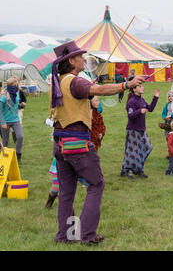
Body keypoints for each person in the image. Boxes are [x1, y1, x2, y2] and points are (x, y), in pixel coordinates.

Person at [50, 40, 146, 244]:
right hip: (77, 143)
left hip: (59, 143)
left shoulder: (59, 81)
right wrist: (126, 84)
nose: (84, 58)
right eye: (80, 56)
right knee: (96, 184)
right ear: (71, 61)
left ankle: (65, 236)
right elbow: (100, 91)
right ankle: (86, 235)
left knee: (66, 192)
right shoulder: (75, 82)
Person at [120, 83, 159, 179]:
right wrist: (139, 111)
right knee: (132, 151)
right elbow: (130, 116)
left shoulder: (141, 100)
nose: (142, 87)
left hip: (142, 130)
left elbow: (150, 109)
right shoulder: (131, 102)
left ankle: (137, 168)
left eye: (142, 86)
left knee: (147, 147)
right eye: (140, 86)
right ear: (134, 89)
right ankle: (126, 170)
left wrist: (155, 97)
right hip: (133, 130)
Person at [0, 77, 26, 163]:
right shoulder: (3, 97)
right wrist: (3, 122)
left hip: (15, 120)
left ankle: (18, 157)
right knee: (5, 141)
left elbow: (15, 105)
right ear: (10, 86)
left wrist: (21, 105)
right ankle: (5, 158)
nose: (16, 86)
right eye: (15, 85)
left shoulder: (16, 94)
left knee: (20, 136)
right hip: (5, 121)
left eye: (17, 84)